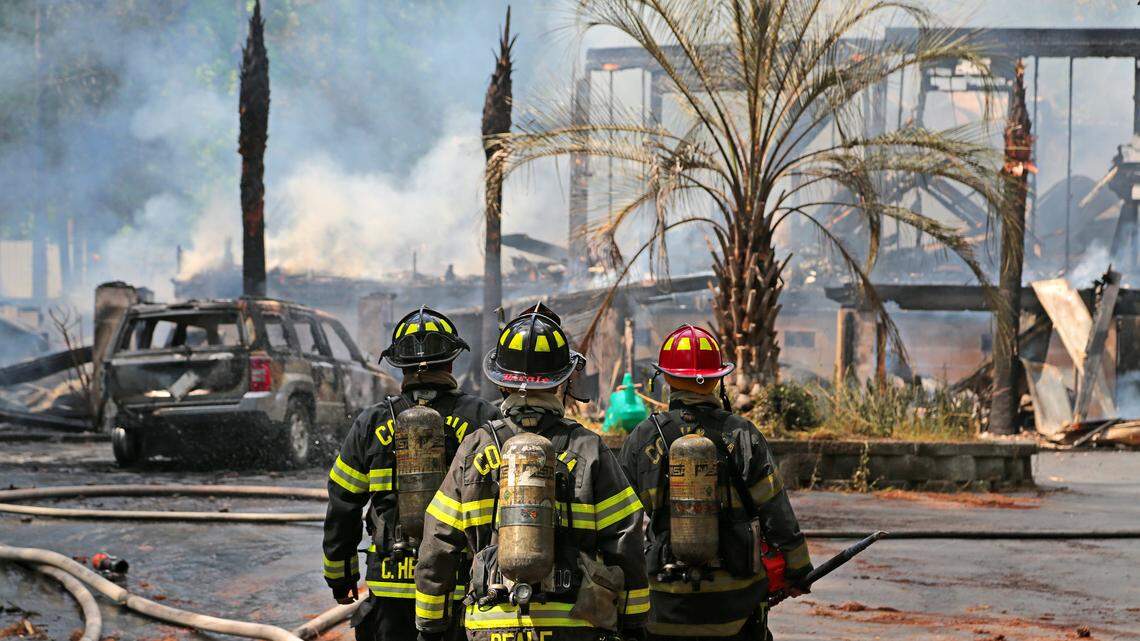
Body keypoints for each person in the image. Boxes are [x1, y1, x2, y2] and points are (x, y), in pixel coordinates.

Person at [414, 303, 649, 641]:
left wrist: (430, 627)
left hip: (492, 624)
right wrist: (634, 621)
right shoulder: (589, 448)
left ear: (501, 381)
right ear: (563, 379)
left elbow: (437, 545)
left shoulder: (475, 447)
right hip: (574, 625)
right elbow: (627, 541)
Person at [618, 325, 813, 641]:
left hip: (661, 607)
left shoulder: (642, 437)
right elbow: (776, 511)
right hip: (734, 609)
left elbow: (619, 525)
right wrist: (799, 570)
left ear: (666, 378)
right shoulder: (741, 434)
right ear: (716, 380)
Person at [323, 307, 502, 641]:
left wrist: (341, 577)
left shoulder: (371, 422)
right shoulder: (483, 418)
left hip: (390, 586)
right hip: (459, 584)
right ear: (451, 362)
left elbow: (343, 504)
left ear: (400, 366)